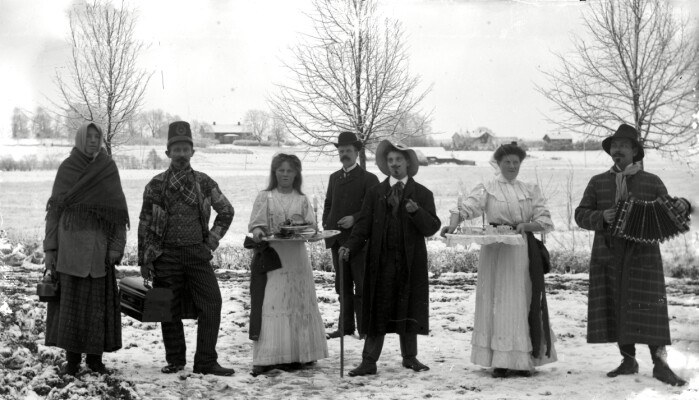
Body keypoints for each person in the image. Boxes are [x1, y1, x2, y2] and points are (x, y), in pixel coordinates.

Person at [575, 124, 690, 386]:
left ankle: (661, 365)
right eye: (614, 146)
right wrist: (601, 216)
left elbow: (672, 212)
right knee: (617, 306)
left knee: (652, 309)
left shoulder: (652, 181)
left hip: (644, 256)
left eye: (623, 146)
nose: (617, 150)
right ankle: (628, 360)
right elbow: (580, 215)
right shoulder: (598, 182)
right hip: (609, 254)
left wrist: (684, 203)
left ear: (635, 151)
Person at [441, 142, 557, 378]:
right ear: (499, 164)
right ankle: (499, 361)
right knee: (496, 299)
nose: (512, 166)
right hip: (494, 250)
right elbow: (466, 208)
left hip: (519, 251)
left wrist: (526, 225)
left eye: (516, 162)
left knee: (519, 299)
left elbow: (544, 220)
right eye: (507, 162)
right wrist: (452, 226)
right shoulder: (488, 187)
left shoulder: (530, 189)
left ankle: (523, 360)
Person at [138, 121, 235, 376]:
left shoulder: (204, 183)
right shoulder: (156, 185)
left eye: (185, 149)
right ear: (168, 153)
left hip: (197, 254)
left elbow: (226, 211)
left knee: (212, 303)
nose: (181, 154)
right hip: (165, 255)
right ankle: (176, 361)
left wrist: (211, 242)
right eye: (176, 149)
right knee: (168, 309)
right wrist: (145, 259)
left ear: (192, 152)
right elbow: (144, 223)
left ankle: (205, 360)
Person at [339, 140, 441, 377]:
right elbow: (363, 226)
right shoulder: (376, 193)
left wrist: (417, 212)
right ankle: (368, 361)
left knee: (408, 308)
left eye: (399, 160)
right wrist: (350, 247)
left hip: (410, 263)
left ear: (408, 163)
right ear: (386, 164)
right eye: (391, 160)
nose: (394, 164)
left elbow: (431, 228)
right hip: (380, 263)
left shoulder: (423, 194)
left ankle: (410, 358)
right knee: (378, 309)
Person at [44, 122, 129, 375]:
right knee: (71, 308)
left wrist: (116, 246)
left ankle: (95, 359)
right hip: (70, 252)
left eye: (97, 136)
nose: (93, 140)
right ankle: (72, 361)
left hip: (99, 252)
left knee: (97, 309)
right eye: (88, 136)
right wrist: (50, 249)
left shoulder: (107, 168)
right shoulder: (67, 169)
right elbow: (54, 213)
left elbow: (118, 212)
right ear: (80, 139)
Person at [248, 153, 329, 376]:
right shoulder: (265, 197)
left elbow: (312, 229)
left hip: (297, 258)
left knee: (298, 302)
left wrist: (311, 232)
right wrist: (257, 233)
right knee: (272, 304)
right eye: (281, 170)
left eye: (290, 170)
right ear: (275, 172)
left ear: (296, 174)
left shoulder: (302, 199)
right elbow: (255, 226)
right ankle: (267, 357)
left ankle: (301, 355)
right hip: (274, 257)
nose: (285, 174)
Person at [323, 131, 379, 339]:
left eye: (348, 151)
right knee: (342, 286)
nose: (344, 154)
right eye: (341, 151)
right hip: (337, 240)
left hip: (359, 242)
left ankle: (364, 329)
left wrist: (354, 218)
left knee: (361, 285)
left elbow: (373, 209)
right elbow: (328, 204)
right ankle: (345, 328)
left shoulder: (369, 179)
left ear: (356, 153)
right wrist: (327, 225)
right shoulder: (334, 178)